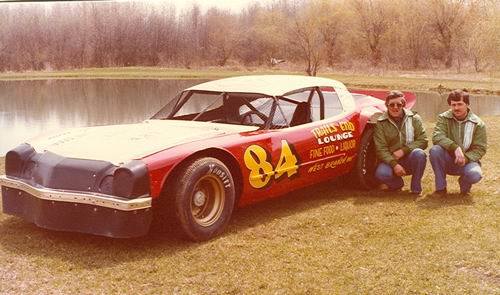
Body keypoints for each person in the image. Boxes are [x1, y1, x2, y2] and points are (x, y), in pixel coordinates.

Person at [429, 89, 487, 195]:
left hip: (467, 161)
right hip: (448, 159)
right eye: (453, 105)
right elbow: (437, 136)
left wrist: (465, 158)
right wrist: (455, 148)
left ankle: (464, 182)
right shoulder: (443, 118)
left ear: (467, 104)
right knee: (435, 150)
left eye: (460, 104)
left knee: (475, 175)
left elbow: (480, 149)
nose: (456, 108)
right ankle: (441, 188)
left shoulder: (478, 123)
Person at [374, 90, 428, 195]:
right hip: (391, 160)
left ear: (404, 105)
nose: (395, 107)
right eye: (392, 105)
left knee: (420, 154)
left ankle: (416, 188)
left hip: (410, 158)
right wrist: (394, 164)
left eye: (399, 104)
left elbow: (423, 140)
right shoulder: (380, 123)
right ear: (386, 105)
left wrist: (404, 150)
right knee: (381, 174)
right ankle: (397, 184)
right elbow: (381, 149)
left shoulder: (415, 118)